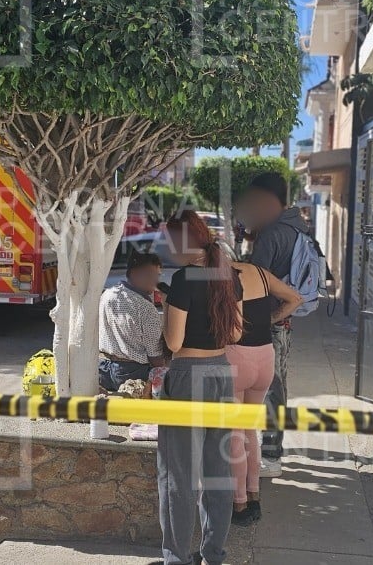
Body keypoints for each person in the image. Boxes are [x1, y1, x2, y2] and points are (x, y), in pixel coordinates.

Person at [151, 210, 241, 565]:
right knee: (219, 472)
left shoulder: (184, 279)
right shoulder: (228, 276)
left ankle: (176, 558)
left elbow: (173, 342)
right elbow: (234, 334)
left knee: (178, 476)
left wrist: (165, 314)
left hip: (188, 374)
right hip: (221, 373)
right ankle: (213, 555)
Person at [236, 172, 309, 477]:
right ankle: (273, 449)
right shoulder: (296, 224)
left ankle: (271, 455)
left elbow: (255, 280)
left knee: (269, 389)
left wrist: (261, 321)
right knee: (278, 386)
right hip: (284, 322)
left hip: (271, 323)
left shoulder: (272, 234)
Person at [224, 260, 304, 526]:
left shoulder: (218, 276)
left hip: (236, 358)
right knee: (249, 431)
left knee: (234, 433)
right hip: (265, 356)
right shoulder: (258, 271)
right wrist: (268, 319)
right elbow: (295, 299)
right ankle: (254, 494)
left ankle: (239, 503)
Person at [98, 251, 166, 392]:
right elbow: (156, 357)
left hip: (102, 368)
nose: (156, 282)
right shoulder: (145, 308)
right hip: (132, 373)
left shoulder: (108, 294)